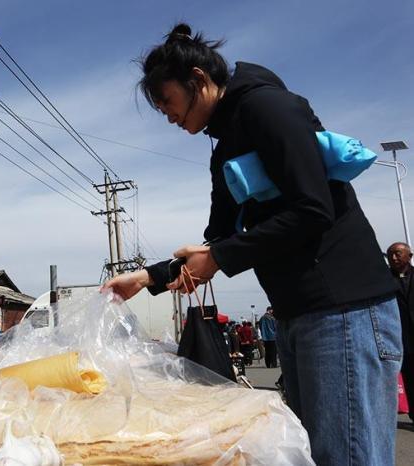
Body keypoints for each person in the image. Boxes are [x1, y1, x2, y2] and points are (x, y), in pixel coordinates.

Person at [102, 22, 401, 466]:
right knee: (314, 455)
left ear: (199, 80)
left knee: (347, 457)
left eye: (168, 101)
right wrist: (149, 277)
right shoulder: (224, 145)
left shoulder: (267, 108)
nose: (167, 115)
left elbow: (313, 208)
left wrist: (220, 256)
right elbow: (219, 240)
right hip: (299, 314)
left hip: (345, 310)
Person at [387, 242, 414, 426]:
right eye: (390, 255)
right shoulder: (384, 281)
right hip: (401, 340)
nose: (394, 258)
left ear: (409, 256)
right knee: (410, 380)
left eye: (398, 254)